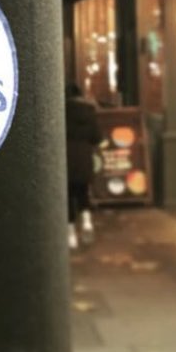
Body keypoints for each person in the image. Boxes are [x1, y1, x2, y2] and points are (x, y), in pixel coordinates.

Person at [65, 81, 102, 250]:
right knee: (82, 193)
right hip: (84, 157)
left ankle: (71, 236)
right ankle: (87, 222)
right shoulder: (89, 111)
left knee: (68, 196)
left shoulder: (62, 110)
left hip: (66, 157)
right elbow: (97, 137)